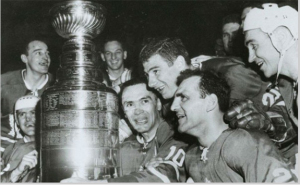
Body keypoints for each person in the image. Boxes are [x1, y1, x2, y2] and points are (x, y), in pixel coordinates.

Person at [140, 37, 297, 163]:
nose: (151, 83)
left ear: (180, 63)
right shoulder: (172, 97)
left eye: (156, 71)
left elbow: (279, 116)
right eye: (147, 75)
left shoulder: (230, 74)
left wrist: (269, 123)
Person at [171, 69, 297, 182]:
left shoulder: (243, 143)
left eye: (183, 98)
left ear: (210, 103)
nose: (173, 107)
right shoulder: (191, 157)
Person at [61, 78, 188, 183]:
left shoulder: (177, 136)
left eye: (144, 101)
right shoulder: (124, 147)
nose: (137, 111)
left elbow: (165, 176)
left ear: (158, 104)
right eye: (130, 104)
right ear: (124, 112)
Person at [225, 3, 298, 164]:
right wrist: (268, 123)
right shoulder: (288, 84)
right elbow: (289, 121)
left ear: (281, 38)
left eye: (254, 45)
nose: (250, 58)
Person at [1, 39, 54, 154]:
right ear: (24, 58)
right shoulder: (4, 83)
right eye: (38, 53)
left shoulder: (57, 86)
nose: (45, 57)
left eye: (47, 53)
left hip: (42, 151)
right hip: (4, 150)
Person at [1, 95, 39, 182]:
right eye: (22, 114)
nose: (28, 119)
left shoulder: (54, 146)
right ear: (17, 121)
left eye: (33, 113)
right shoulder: (10, 150)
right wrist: (17, 171)